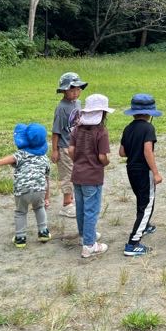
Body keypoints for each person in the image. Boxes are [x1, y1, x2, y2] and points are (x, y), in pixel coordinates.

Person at [0, 123, 52, 249]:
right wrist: (47, 197)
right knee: (39, 208)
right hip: (40, 190)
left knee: (21, 212)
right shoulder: (44, 159)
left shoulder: (21, 154)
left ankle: (20, 237)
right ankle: (43, 232)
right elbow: (47, 179)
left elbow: (11, 159)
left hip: (22, 190)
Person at [120, 94, 163, 256]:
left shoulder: (128, 128)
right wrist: (156, 172)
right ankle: (133, 243)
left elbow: (122, 152)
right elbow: (148, 151)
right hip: (145, 171)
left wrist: (133, 149)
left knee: (141, 199)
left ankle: (145, 226)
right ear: (149, 113)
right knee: (147, 204)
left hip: (131, 169)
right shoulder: (148, 128)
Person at [70, 94, 113, 258]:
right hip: (93, 177)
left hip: (77, 174)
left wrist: (78, 161)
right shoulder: (101, 132)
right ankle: (89, 245)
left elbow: (70, 150)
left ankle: (84, 236)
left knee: (80, 207)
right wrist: (105, 162)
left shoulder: (77, 128)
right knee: (91, 210)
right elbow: (102, 157)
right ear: (103, 113)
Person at [52, 72, 88, 219]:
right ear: (64, 91)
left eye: (78, 89)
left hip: (76, 145)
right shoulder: (61, 108)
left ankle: (74, 200)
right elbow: (56, 131)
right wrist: (55, 150)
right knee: (67, 175)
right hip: (64, 146)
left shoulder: (78, 103)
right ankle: (67, 204)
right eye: (72, 90)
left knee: (77, 172)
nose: (76, 93)